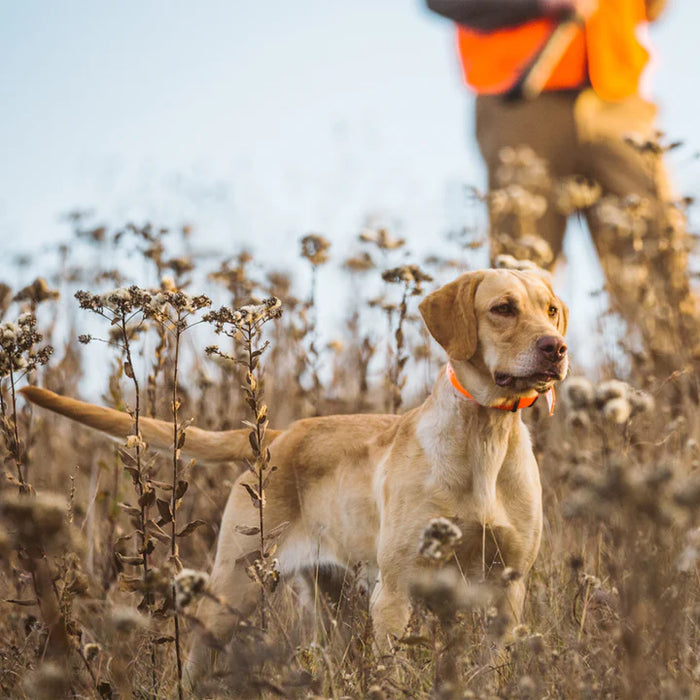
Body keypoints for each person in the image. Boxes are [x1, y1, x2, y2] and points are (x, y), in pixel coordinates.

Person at [425, 0, 698, 379]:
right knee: (517, 276)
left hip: (618, 96)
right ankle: (521, 428)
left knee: (660, 266)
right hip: (521, 100)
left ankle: (685, 412)